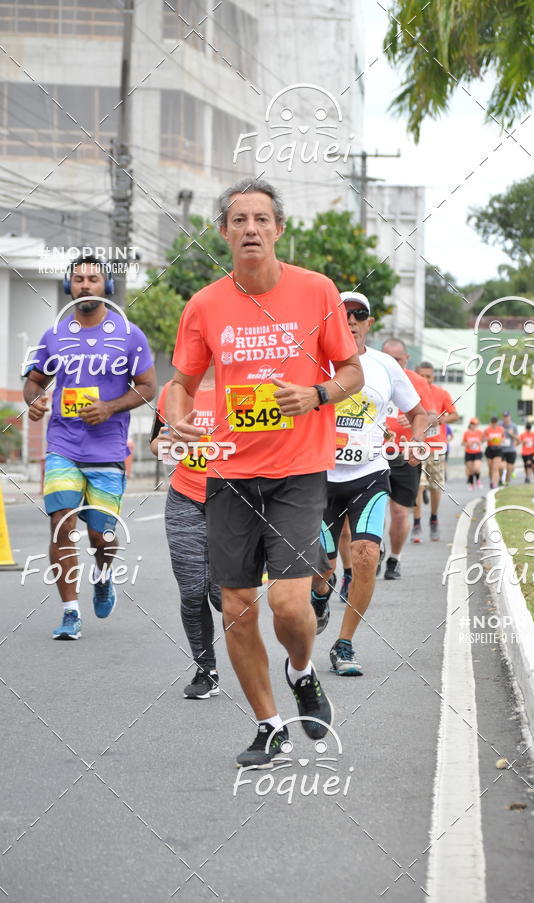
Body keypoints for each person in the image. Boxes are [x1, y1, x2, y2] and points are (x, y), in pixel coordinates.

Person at [166, 177, 363, 768]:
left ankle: (301, 670)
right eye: (238, 220)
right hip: (227, 475)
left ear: (278, 229)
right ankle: (269, 724)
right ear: (223, 232)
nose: (250, 228)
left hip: (298, 472)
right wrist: (178, 420)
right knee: (235, 606)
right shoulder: (204, 305)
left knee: (290, 607)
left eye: (261, 219)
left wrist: (317, 393)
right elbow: (180, 383)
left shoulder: (316, 291)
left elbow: (352, 372)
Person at [23, 254, 156, 639]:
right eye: (77, 279)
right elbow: (34, 381)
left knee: (102, 536)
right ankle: (69, 612)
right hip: (62, 444)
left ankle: (102, 574)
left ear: (106, 287)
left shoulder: (129, 335)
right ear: (69, 287)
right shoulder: (55, 335)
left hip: (108, 450)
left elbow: (149, 387)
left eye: (92, 279)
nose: (84, 284)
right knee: (60, 524)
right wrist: (34, 402)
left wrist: (110, 407)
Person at [310, 293, 427, 675]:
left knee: (364, 557)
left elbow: (418, 412)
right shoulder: (313, 360)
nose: (351, 319)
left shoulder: (384, 366)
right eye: (343, 314)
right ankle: (319, 596)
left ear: (369, 323)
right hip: (318, 476)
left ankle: (344, 644)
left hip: (369, 474)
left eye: (359, 314)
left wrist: (417, 439)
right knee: (321, 566)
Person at [149, 370, 222, 700]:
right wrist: (163, 443)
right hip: (184, 496)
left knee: (225, 597)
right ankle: (206, 670)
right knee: (192, 591)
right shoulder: (174, 390)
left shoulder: (242, 385)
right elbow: (156, 440)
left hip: (233, 498)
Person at [381, 338, 434, 578]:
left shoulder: (418, 382)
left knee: (400, 512)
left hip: (405, 455)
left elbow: (432, 415)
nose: (392, 364)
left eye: (398, 360)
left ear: (407, 359)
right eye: (388, 359)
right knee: (370, 509)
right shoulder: (369, 374)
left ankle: (394, 558)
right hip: (373, 454)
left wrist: (415, 422)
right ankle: (373, 547)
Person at [411, 362, 458, 542]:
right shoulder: (411, 393)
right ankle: (416, 523)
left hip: (437, 446)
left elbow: (454, 415)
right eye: (421, 376)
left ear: (433, 377)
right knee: (418, 485)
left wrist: (441, 420)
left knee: (435, 486)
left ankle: (434, 518)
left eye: (428, 376)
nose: (424, 380)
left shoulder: (441, 393)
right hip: (416, 445)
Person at [483, 415, 505, 489]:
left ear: (497, 422)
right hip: (490, 449)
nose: (494, 424)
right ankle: (491, 481)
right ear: (491, 422)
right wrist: (488, 438)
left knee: (495, 467)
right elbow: (483, 439)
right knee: (490, 468)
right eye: (493, 422)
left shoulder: (501, 429)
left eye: (495, 422)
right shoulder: (487, 430)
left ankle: (494, 483)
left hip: (498, 449)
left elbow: (504, 439)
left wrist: (500, 440)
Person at [462, 417, 483, 489]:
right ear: (470, 425)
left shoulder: (479, 432)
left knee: (477, 468)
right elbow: (463, 443)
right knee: (470, 470)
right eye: (473, 424)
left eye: (476, 424)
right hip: (469, 453)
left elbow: (482, 442)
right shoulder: (466, 433)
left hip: (477, 452)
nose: (474, 426)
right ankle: (471, 484)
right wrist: (467, 444)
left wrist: (478, 442)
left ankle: (478, 480)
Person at [499, 410, 520, 485]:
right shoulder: (499, 425)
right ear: (502, 417)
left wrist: (512, 434)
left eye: (507, 417)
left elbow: (518, 439)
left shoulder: (513, 426)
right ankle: (501, 479)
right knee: (501, 467)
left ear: (510, 417)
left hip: (510, 450)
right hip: (501, 449)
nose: (506, 418)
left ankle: (507, 481)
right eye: (504, 417)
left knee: (509, 467)